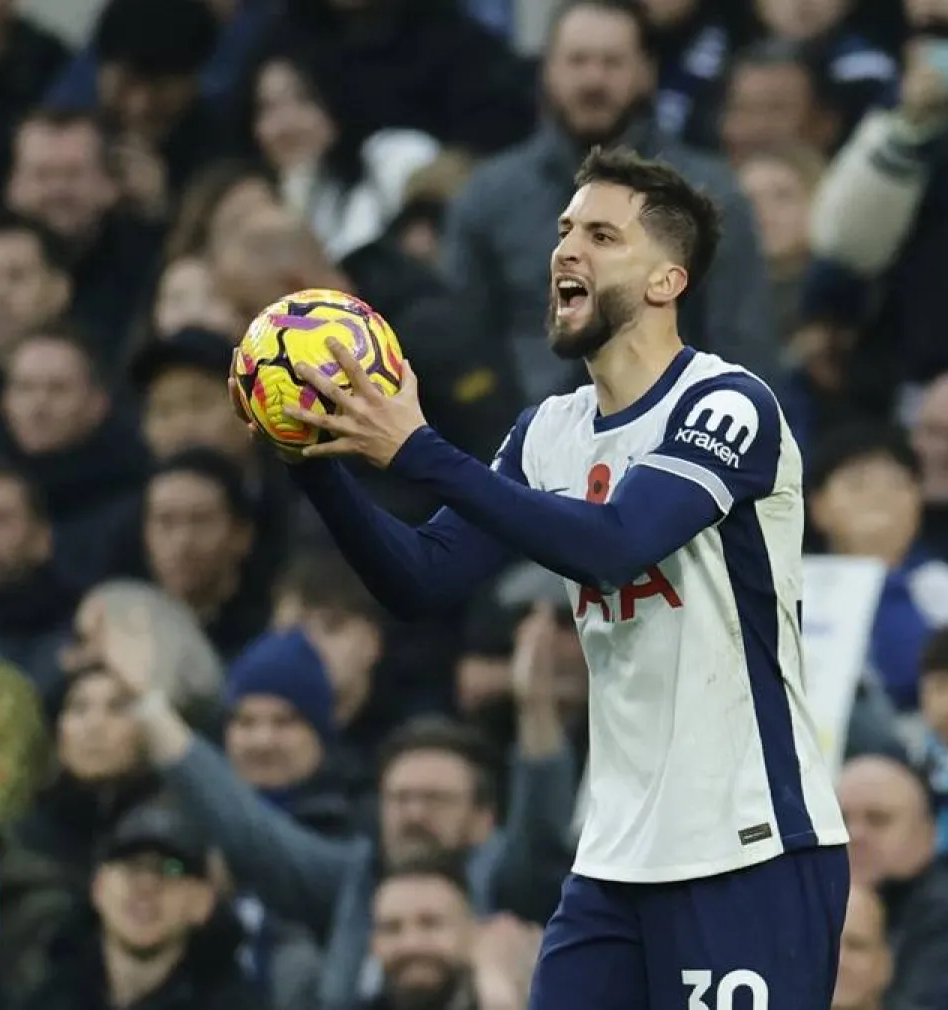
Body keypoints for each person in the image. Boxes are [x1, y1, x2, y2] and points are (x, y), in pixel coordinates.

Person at [232, 144, 849, 1007]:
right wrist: (311, 456)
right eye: (564, 230)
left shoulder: (728, 403)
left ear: (668, 281)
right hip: (612, 856)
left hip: (747, 844)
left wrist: (419, 450)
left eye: (602, 235)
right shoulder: (547, 432)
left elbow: (617, 543)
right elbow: (424, 579)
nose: (567, 249)